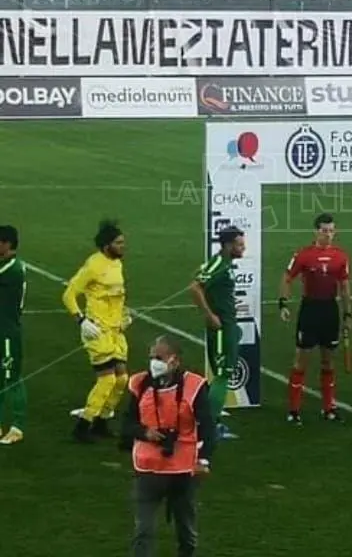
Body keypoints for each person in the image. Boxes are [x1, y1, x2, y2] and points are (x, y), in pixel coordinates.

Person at [122, 335, 214, 557]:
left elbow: (208, 427)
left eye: (160, 357)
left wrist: (203, 460)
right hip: (148, 468)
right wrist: (144, 432)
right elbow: (127, 424)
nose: (154, 362)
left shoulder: (194, 386)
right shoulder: (140, 383)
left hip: (182, 469)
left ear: (175, 360)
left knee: (187, 531)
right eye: (152, 357)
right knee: (143, 531)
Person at [280, 213, 351, 424]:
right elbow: (287, 277)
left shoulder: (341, 256)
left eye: (331, 231)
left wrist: (348, 313)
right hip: (309, 309)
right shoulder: (303, 255)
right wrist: (283, 302)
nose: (328, 235)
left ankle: (329, 408)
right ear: (316, 231)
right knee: (301, 360)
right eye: (324, 230)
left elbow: (345, 287)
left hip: (330, 310)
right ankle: (294, 409)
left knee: (328, 361)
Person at [63, 220, 130, 442]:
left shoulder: (117, 264)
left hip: (116, 331)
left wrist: (124, 315)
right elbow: (69, 295)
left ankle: (101, 421)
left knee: (122, 380)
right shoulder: (93, 266)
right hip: (97, 331)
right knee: (107, 380)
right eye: (118, 243)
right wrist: (81, 321)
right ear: (106, 245)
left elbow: (117, 295)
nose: (123, 246)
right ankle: (82, 427)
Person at [189, 226, 246, 440]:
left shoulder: (223, 263)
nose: (243, 248)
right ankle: (208, 428)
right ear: (229, 245)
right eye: (240, 244)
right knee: (223, 375)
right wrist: (210, 315)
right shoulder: (220, 264)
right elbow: (195, 287)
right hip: (222, 329)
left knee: (221, 374)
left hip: (227, 326)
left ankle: (208, 421)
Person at [0, 225, 28, 445]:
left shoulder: (12, 269)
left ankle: (18, 426)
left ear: (7, 244)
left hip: (8, 333)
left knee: (12, 379)